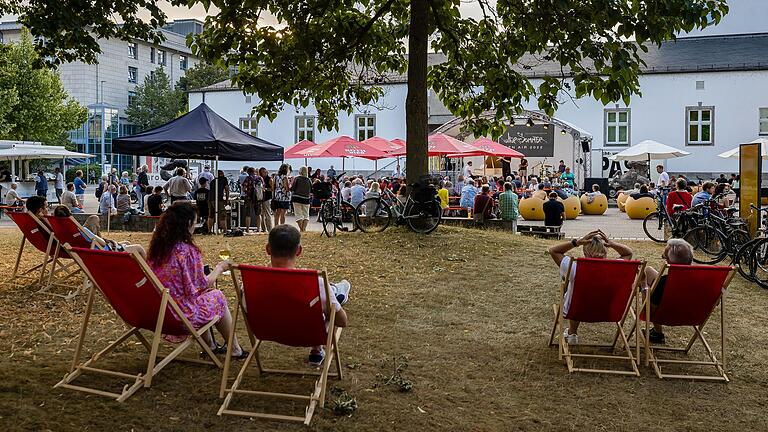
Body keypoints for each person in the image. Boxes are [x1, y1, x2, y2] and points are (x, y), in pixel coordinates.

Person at [148, 202, 246, 357]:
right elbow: (202, 284)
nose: (196, 226)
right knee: (217, 296)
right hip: (180, 315)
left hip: (158, 312)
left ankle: (210, 346)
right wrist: (219, 268)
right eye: (195, 222)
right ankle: (235, 349)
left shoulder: (157, 250)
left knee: (201, 297)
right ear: (187, 224)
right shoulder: (187, 251)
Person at [266, 224, 349, 366]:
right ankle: (317, 349)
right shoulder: (316, 283)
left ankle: (335, 292)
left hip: (269, 332)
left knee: (322, 300)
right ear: (298, 251)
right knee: (330, 308)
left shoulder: (250, 283)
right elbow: (342, 321)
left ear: (268, 249)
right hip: (309, 333)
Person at [549, 230, 634, 344]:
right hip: (606, 311)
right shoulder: (616, 268)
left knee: (575, 291)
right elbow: (628, 253)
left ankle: (572, 333)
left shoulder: (574, 268)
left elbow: (553, 250)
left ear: (585, 251)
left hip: (577, 310)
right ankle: (572, 332)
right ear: (605, 250)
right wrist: (612, 244)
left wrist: (577, 242)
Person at [643, 239, 694, 344]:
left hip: (667, 314)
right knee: (648, 271)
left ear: (669, 262)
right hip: (691, 315)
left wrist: (644, 285)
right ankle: (657, 333)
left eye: (664, 257)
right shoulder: (702, 281)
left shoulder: (664, 284)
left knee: (645, 279)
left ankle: (657, 333)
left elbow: (648, 311)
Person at [241, 167, 264, 232]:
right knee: (258, 214)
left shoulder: (247, 178)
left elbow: (244, 188)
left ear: (248, 172)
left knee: (248, 214)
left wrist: (247, 191)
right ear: (254, 171)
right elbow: (263, 188)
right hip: (258, 198)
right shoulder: (260, 178)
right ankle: (258, 229)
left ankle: (247, 229)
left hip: (249, 198)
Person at [291, 166, 312, 232]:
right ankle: (304, 229)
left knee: (298, 214)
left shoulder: (297, 178)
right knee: (306, 215)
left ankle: (302, 229)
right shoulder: (309, 180)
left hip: (296, 198)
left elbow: (293, 188)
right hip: (306, 199)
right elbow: (311, 190)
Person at [258, 167, 273, 232]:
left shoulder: (269, 179)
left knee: (267, 214)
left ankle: (269, 229)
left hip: (267, 198)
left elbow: (272, 189)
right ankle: (263, 229)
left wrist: (265, 189)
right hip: (261, 198)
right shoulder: (259, 179)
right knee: (261, 214)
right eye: (262, 172)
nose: (263, 173)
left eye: (264, 172)